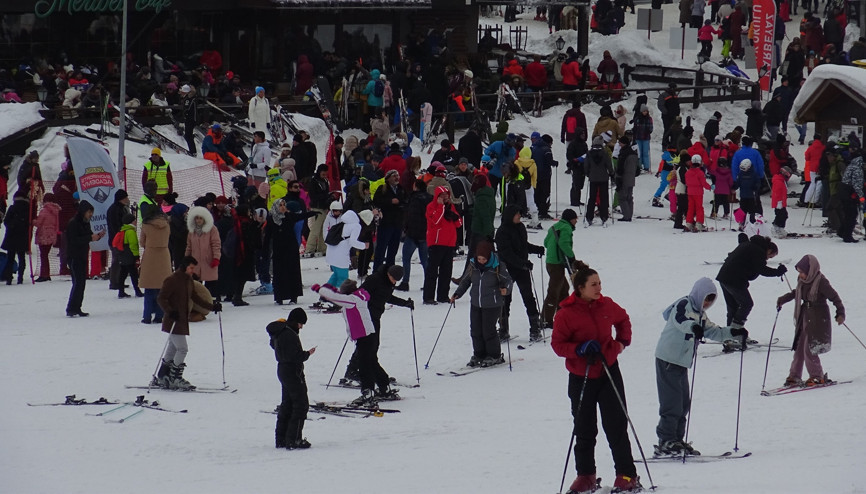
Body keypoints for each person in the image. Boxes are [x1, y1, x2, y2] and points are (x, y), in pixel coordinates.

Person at [552, 260, 642, 494]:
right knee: (584, 427)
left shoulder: (606, 304)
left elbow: (623, 320)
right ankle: (586, 475)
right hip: (581, 375)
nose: (599, 288)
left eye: (600, 283)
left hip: (608, 370)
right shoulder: (565, 313)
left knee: (616, 425)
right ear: (580, 288)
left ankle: (627, 474)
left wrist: (621, 343)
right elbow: (558, 345)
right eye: (594, 284)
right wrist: (579, 349)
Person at [654, 278, 746, 456]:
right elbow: (681, 321)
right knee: (672, 403)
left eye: (711, 300)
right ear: (698, 294)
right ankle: (666, 440)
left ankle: (676, 440)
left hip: (681, 362)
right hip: (668, 359)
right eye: (706, 299)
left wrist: (733, 332)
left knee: (683, 403)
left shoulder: (700, 314)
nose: (707, 303)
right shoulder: (683, 304)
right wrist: (693, 327)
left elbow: (713, 331)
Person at [153, 256, 221, 390]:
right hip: (173, 320)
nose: (192, 271)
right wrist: (170, 311)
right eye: (191, 268)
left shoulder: (188, 280)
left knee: (173, 348)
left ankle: (163, 375)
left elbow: (195, 297)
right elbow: (161, 298)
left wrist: (212, 306)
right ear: (184, 266)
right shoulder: (172, 280)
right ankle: (175, 378)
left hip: (181, 320)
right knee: (182, 348)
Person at [776, 255, 844, 387]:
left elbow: (835, 297)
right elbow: (798, 292)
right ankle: (794, 376)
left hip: (818, 317)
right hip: (805, 315)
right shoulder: (803, 281)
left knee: (809, 348)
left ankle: (817, 376)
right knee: (799, 346)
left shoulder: (821, 282)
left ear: (811, 270)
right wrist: (784, 299)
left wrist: (840, 313)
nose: (800, 275)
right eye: (799, 272)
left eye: (803, 272)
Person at [451, 240, 513, 367]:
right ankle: (479, 354)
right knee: (475, 330)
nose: (481, 261)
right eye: (479, 258)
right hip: (476, 303)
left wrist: (505, 290)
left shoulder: (497, 266)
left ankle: (494, 355)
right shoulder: (473, 265)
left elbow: (508, 281)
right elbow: (466, 281)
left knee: (488, 330)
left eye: (484, 259)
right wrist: (458, 293)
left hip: (492, 304)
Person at [716, 234, 786, 338]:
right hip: (733, 279)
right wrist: (777, 272)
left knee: (733, 308)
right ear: (769, 250)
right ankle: (735, 332)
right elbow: (762, 270)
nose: (768, 259)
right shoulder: (758, 251)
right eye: (770, 256)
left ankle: (729, 335)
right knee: (747, 304)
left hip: (724, 277)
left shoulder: (750, 245)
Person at [495, 204, 545, 341]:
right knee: (505, 299)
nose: (519, 216)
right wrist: (523, 263)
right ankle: (503, 329)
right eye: (517, 214)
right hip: (507, 270)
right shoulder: (502, 232)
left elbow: (523, 245)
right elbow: (506, 253)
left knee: (528, 297)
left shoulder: (521, 227)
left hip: (522, 269)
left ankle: (534, 328)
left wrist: (536, 249)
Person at [268, 308, 315, 449]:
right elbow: (294, 356)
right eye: (300, 324)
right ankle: (294, 439)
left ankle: (281, 438)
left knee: (287, 404)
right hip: (292, 371)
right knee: (301, 405)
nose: (301, 327)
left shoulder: (280, 331)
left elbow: (275, 346)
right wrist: (307, 354)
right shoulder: (289, 334)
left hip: (283, 370)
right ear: (295, 321)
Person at [265, 198, 318, 305]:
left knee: (292, 272)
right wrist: (265, 250)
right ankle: (279, 297)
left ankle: (293, 297)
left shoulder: (289, 216)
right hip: (278, 249)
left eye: (284, 205)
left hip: (291, 248)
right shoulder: (271, 219)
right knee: (279, 273)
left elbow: (301, 216)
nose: (283, 207)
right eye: (280, 205)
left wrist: (313, 213)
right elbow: (268, 236)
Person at [423, 186, 462, 304]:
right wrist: (441, 207)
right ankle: (428, 297)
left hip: (449, 244)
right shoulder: (431, 207)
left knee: (446, 271)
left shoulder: (451, 207)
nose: (445, 197)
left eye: (446, 194)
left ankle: (443, 295)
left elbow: (459, 224)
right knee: (432, 271)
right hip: (436, 243)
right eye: (442, 195)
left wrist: (454, 216)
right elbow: (435, 220)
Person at [65, 201, 104, 317]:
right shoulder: (73, 223)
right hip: (74, 256)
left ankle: (77, 307)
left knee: (81, 283)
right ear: (83, 211)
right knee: (78, 283)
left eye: (91, 212)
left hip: (82, 255)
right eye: (89, 212)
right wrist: (90, 237)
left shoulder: (85, 223)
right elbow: (74, 240)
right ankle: (71, 308)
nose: (91, 214)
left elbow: (88, 236)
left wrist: (97, 236)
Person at [542, 209, 578, 327]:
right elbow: (564, 244)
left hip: (550, 262)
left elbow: (546, 243)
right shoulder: (566, 228)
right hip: (557, 263)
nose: (576, 221)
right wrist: (571, 257)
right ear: (570, 219)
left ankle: (563, 315)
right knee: (554, 291)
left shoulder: (554, 227)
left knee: (563, 288)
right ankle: (546, 319)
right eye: (575, 219)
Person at [139, 207, 172, 324]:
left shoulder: (146, 225)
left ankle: (147, 316)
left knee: (149, 288)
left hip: (150, 255)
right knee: (161, 289)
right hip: (164, 255)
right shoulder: (167, 224)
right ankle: (159, 316)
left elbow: (142, 242)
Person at [397, 179, 431, 291]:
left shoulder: (414, 199)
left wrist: (407, 229)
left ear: (416, 187)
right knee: (425, 260)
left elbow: (412, 217)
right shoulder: (430, 198)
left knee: (406, 258)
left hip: (413, 234)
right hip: (426, 233)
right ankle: (429, 283)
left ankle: (405, 282)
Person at [185, 206, 222, 300]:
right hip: (195, 262)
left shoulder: (212, 229)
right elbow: (189, 246)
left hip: (209, 261)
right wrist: (186, 259)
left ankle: (213, 302)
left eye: (200, 218)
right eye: (197, 218)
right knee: (196, 286)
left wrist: (216, 258)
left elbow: (216, 244)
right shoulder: (191, 231)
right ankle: (198, 303)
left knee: (211, 285)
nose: (198, 220)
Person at [1, 190, 32, 285]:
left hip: (11, 236)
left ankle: (9, 278)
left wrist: (12, 226)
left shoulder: (12, 208)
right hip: (22, 237)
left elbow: (6, 221)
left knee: (10, 258)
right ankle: (20, 278)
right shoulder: (28, 209)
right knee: (21, 257)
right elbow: (29, 224)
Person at [583, 136, 615, 226]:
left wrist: (588, 173)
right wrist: (611, 173)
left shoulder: (589, 153)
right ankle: (604, 216)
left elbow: (586, 165)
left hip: (593, 178)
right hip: (603, 178)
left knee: (592, 198)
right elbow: (609, 165)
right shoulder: (605, 153)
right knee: (603, 198)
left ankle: (589, 217)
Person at [33, 193, 61, 282]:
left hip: (43, 235)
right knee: (45, 255)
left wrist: (33, 221)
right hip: (52, 235)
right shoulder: (56, 211)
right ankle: (46, 274)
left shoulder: (44, 211)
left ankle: (44, 274)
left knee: (43, 255)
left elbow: (38, 223)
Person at [115, 213, 143, 298]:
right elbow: (133, 244)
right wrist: (136, 255)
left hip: (123, 254)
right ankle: (137, 291)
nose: (135, 222)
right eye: (134, 220)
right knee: (134, 274)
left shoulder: (122, 230)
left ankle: (121, 291)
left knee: (123, 273)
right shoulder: (130, 231)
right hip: (130, 255)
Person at [684, 155, 711, 232]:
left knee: (691, 208)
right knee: (699, 208)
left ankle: (689, 223)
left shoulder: (688, 172)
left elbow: (686, 182)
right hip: (698, 193)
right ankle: (699, 223)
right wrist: (710, 187)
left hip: (690, 192)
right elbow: (703, 183)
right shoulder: (700, 173)